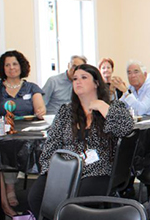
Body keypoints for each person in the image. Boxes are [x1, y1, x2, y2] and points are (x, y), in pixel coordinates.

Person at [36, 64, 135, 204]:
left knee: (77, 200)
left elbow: (126, 128)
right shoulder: (66, 111)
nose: (78, 81)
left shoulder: (112, 107)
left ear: (96, 83)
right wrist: (49, 171)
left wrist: (102, 106)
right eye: (75, 78)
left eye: (84, 77)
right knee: (36, 196)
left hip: (98, 169)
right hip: (67, 167)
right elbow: (51, 144)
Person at [0, 51, 47, 216]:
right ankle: (9, 187)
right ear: (3, 69)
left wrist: (40, 110)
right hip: (6, 132)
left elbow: (40, 107)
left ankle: (41, 187)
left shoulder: (31, 87)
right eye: (7, 65)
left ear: (21, 66)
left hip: (29, 131)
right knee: (5, 148)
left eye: (15, 64)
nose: (11, 68)